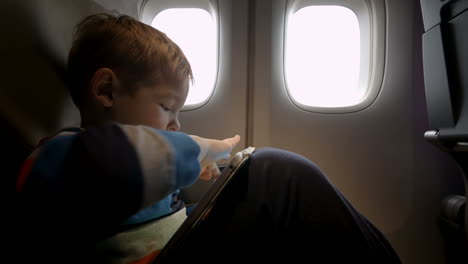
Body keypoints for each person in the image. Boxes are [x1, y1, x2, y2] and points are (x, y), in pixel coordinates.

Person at [14, 13, 401, 263]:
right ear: (106, 91)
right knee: (276, 173)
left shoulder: (133, 163)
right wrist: (205, 149)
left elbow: (149, 165)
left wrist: (198, 171)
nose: (176, 125)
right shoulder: (61, 158)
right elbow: (129, 164)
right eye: (166, 107)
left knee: (266, 178)